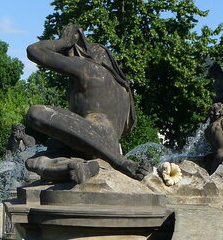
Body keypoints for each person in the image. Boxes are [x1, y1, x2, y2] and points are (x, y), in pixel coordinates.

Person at [24, 24, 150, 183]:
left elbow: (34, 51)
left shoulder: (89, 68)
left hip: (95, 136)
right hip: (102, 144)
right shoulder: (123, 90)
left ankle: (121, 162)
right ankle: (79, 167)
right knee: (34, 162)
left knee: (36, 113)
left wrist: (64, 41)